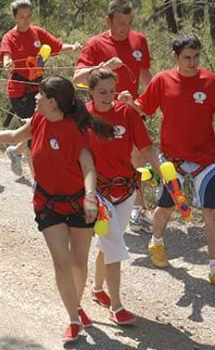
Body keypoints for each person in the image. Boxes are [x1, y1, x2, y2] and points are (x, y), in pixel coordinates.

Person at [0, 76, 114, 343]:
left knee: (79, 263)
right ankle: (73, 318)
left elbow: (89, 167)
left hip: (79, 204)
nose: (35, 97)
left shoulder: (75, 130)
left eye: (40, 94)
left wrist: (90, 197)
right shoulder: (39, 120)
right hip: (47, 204)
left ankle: (76, 303)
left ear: (53, 102)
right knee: (62, 262)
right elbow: (13, 136)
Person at [119, 33, 215, 286]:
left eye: (196, 57)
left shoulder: (212, 82)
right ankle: (157, 242)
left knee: (212, 213)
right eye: (187, 57)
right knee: (166, 207)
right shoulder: (162, 80)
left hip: (205, 160)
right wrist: (131, 102)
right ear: (175, 57)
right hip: (171, 161)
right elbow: (144, 108)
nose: (193, 62)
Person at [85, 67, 161, 325]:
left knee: (108, 244)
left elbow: (145, 146)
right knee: (115, 245)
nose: (107, 97)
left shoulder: (126, 112)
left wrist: (163, 174)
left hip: (127, 189)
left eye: (111, 91)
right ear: (91, 92)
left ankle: (96, 289)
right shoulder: (83, 116)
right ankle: (116, 307)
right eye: (101, 92)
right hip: (98, 192)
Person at [73, 0, 154, 233]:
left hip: (130, 110)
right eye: (120, 23)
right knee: (104, 162)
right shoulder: (96, 44)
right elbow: (77, 76)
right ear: (108, 21)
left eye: (129, 22)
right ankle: (96, 204)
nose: (125, 28)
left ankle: (136, 212)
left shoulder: (139, 40)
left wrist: (150, 102)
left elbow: (145, 74)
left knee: (138, 159)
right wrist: (103, 65)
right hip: (102, 115)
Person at [0, 0, 81, 177]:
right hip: (19, 92)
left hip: (39, 89)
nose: (26, 20)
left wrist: (74, 47)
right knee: (33, 134)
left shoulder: (37, 33)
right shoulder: (9, 37)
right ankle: (37, 180)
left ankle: (15, 151)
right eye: (21, 16)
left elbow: (57, 46)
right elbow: (6, 56)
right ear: (15, 17)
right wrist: (8, 62)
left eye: (28, 16)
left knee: (40, 127)